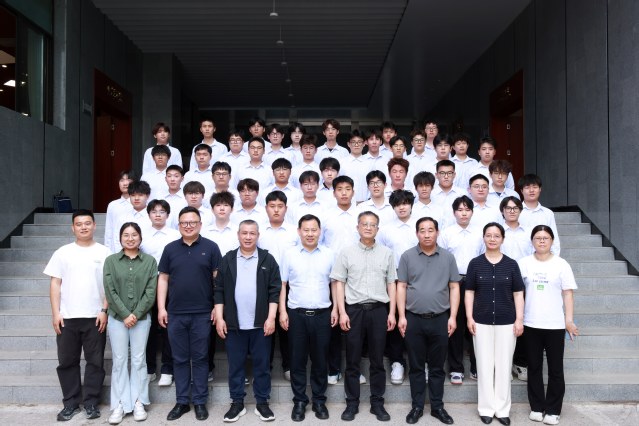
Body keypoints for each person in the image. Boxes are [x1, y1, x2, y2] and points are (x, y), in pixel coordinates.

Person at [44, 209, 111, 422]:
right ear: (73, 228)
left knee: (95, 362)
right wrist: (56, 313)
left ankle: (91, 403)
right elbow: (55, 283)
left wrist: (104, 310)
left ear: (94, 225)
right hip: (67, 317)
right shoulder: (62, 252)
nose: (84, 227)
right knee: (67, 361)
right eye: (79, 224)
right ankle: (71, 404)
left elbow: (109, 286)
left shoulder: (105, 252)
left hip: (95, 317)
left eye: (87, 223)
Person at [157, 206, 222, 421]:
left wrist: (217, 307)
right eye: (184, 222)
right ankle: (182, 401)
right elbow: (163, 279)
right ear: (178, 225)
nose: (188, 226)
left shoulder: (211, 247)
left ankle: (200, 402)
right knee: (180, 359)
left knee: (201, 358)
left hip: (203, 313)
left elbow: (218, 281)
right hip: (175, 313)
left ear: (200, 225)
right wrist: (161, 308)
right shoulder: (170, 249)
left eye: (192, 222)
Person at [331, 211, 397, 422]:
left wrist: (392, 312)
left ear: (378, 228)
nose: (368, 227)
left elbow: (391, 283)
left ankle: (377, 403)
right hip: (354, 311)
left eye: (372, 224)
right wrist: (342, 312)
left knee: (377, 360)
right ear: (357, 227)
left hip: (379, 310)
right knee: (352, 360)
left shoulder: (387, 253)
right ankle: (352, 403)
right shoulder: (346, 253)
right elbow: (339, 283)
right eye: (364, 224)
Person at [214, 220, 282, 422]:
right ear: (238, 234)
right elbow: (218, 290)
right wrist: (220, 318)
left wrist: (271, 318)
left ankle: (262, 403)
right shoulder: (227, 259)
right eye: (244, 233)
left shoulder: (267, 259)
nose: (248, 237)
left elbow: (274, 291)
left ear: (258, 235)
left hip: (261, 324)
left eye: (252, 233)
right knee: (235, 366)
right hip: (234, 324)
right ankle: (237, 403)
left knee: (262, 366)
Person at [397, 217, 459, 425]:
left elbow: (454, 287)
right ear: (417, 234)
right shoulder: (407, 256)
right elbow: (401, 286)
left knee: (437, 367)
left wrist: (453, 317)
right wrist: (401, 316)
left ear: (437, 232)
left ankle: (437, 407)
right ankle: (416, 407)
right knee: (415, 366)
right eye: (422, 230)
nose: (426, 234)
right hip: (413, 319)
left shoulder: (448, 257)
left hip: (440, 319)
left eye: (430, 230)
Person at [464, 222, 525, 425]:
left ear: (502, 239)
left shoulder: (511, 264)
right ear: (483, 238)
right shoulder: (475, 264)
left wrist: (519, 319)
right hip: (480, 321)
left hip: (507, 322)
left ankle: (502, 409)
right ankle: (486, 408)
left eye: (496, 236)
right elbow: (469, 292)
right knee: (484, 366)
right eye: (489, 235)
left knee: (504, 366)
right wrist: (469, 317)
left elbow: (518, 293)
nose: (492, 239)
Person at [279, 214, 337, 422]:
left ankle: (319, 401)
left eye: (314, 230)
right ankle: (300, 401)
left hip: (323, 314)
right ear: (299, 231)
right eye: (306, 230)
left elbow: (335, 283)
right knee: (297, 360)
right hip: (296, 314)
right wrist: (282, 311)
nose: (310, 234)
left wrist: (336, 309)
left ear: (320, 232)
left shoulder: (329, 254)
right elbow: (282, 284)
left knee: (320, 360)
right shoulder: (289, 254)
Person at [518, 225, 578, 426]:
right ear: (532, 241)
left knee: (555, 369)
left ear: (552, 241)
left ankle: (553, 410)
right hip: (531, 324)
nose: (542, 241)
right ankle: (536, 407)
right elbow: (517, 293)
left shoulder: (561, 264)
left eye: (545, 238)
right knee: (534, 367)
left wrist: (569, 320)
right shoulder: (524, 264)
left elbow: (568, 293)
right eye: (538, 238)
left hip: (555, 325)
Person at [104, 223, 158, 424]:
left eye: (134, 235)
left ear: (140, 238)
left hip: (141, 319)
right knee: (119, 361)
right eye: (126, 235)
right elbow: (110, 290)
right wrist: (125, 314)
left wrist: (135, 314)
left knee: (138, 360)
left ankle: (138, 401)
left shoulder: (150, 261)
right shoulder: (111, 261)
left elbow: (151, 292)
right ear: (120, 239)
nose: (130, 238)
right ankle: (119, 403)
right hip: (117, 318)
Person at [438, 195, 483, 384]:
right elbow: (441, 260)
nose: (463, 213)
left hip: (476, 282)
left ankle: (477, 366)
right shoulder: (447, 233)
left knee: (476, 325)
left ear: (472, 212)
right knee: (455, 324)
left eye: (467, 209)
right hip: (453, 283)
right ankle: (456, 368)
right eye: (460, 210)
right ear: (454, 212)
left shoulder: (481, 232)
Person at [140, 200, 180, 387]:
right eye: (154, 211)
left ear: (168, 215)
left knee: (168, 327)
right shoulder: (141, 235)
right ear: (148, 214)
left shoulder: (175, 235)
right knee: (147, 327)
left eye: (162, 211)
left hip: (170, 284)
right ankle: (149, 368)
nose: (158, 214)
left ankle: (167, 369)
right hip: (146, 285)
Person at [518, 174, 561, 256]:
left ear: (540, 189)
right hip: (520, 256)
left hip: (542, 258)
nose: (531, 190)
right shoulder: (515, 212)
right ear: (521, 191)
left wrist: (554, 258)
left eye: (535, 187)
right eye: (527, 187)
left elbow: (554, 238)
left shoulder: (548, 213)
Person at [105, 171, 134, 253]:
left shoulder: (139, 204)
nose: (125, 183)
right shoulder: (113, 205)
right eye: (122, 180)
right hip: (116, 249)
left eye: (128, 180)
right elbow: (109, 230)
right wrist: (108, 251)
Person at [340, 130, 369, 203]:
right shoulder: (341, 163)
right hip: (346, 203)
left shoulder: (370, 163)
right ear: (348, 144)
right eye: (353, 142)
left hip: (365, 203)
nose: (356, 145)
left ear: (364, 144)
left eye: (359, 142)